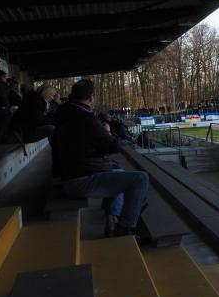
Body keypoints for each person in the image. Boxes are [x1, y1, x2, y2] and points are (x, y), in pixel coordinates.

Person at [54, 79, 148, 237]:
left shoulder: (64, 114)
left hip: (71, 175)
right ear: (90, 98)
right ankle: (125, 228)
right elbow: (113, 146)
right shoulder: (85, 118)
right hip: (81, 180)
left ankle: (113, 219)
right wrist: (110, 132)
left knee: (117, 170)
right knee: (140, 179)